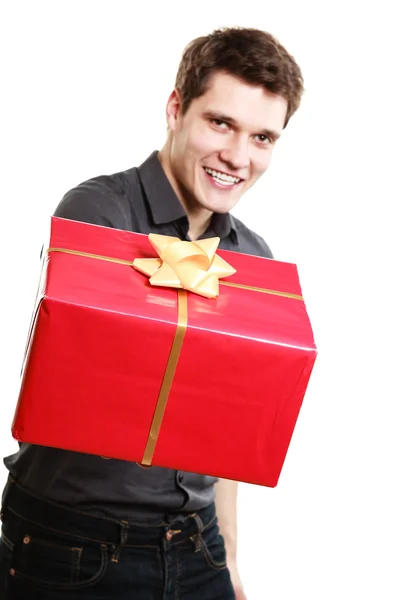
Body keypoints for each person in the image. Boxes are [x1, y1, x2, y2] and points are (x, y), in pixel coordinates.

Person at [0, 26, 304, 599]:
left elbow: (226, 434)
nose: (238, 158)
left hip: (195, 544)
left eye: (263, 137)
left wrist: (230, 556)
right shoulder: (97, 212)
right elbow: (76, 391)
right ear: (176, 109)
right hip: (74, 543)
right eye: (221, 123)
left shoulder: (251, 257)